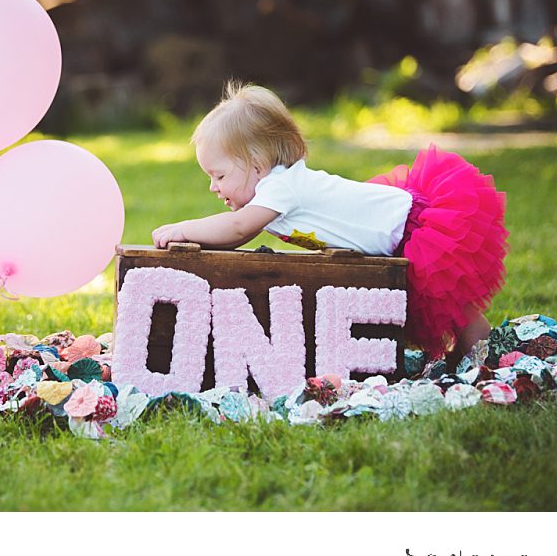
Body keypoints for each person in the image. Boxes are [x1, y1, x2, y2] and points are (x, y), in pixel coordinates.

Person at [152, 81, 507, 364]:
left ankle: (486, 353)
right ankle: (471, 352)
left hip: (412, 229)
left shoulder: (280, 187)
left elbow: (237, 229)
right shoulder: (273, 189)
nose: (213, 187)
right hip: (396, 231)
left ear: (256, 165)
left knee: (455, 306)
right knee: (448, 307)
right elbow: (236, 235)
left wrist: (184, 229)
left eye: (219, 175)